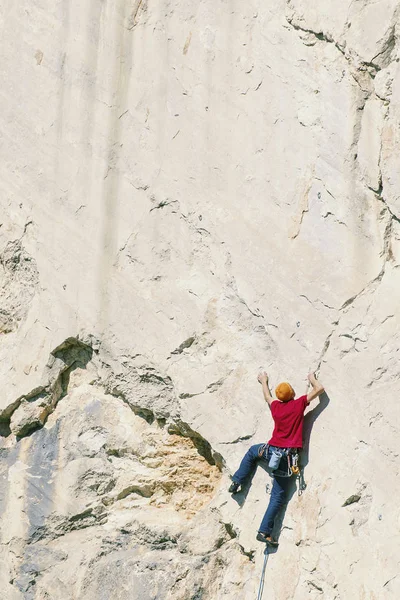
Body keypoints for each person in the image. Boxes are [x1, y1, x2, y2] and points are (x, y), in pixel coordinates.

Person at [229, 371, 324, 547]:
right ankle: (264, 532)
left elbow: (267, 396)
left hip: (270, 451)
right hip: (286, 458)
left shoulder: (276, 407)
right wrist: (311, 378)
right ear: (293, 394)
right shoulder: (298, 404)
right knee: (277, 497)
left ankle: (237, 481)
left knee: (252, 452)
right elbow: (319, 389)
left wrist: (263, 380)